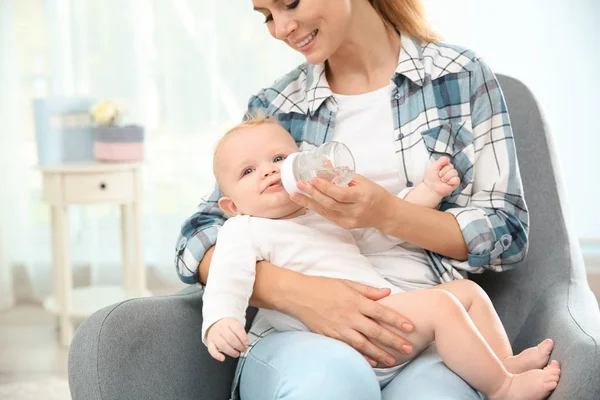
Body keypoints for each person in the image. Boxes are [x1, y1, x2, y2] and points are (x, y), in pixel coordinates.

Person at [175, 0, 533, 398]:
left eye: (289, 3)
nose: (281, 28)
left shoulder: (458, 76)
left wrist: (390, 210)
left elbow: (506, 233)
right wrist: (299, 294)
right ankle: (503, 385)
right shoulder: (276, 108)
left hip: (411, 319)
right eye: (267, 16)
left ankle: (504, 374)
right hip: (305, 335)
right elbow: (201, 237)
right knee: (333, 381)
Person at [202, 117, 560, 399]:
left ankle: (502, 364)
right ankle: (502, 390)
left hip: (384, 323)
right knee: (441, 306)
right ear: (231, 206)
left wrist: (428, 192)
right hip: (337, 341)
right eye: (248, 171)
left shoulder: (324, 211)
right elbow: (226, 276)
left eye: (279, 159)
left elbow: (381, 230)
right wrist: (220, 319)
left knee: (465, 293)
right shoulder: (243, 230)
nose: (267, 170)